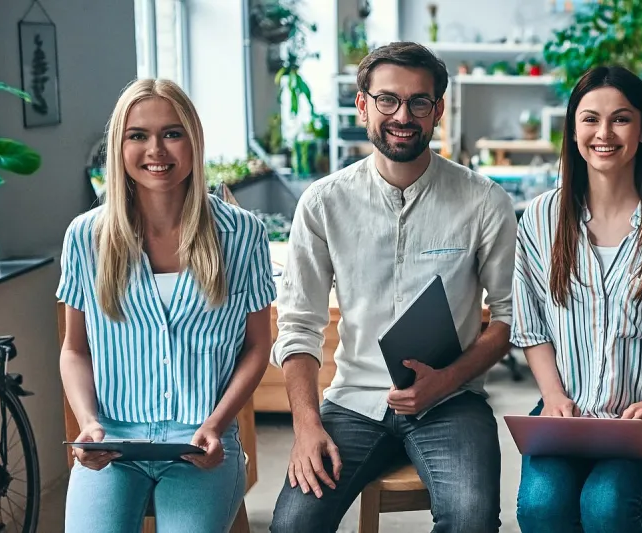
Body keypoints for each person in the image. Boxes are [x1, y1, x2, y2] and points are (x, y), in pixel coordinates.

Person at [268, 41, 516, 533]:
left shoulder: (484, 201)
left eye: (419, 102)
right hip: (352, 402)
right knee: (293, 525)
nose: (403, 116)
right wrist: (306, 425)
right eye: (388, 100)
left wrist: (447, 379)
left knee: (471, 520)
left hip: (452, 401)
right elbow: (298, 326)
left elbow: (510, 316)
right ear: (363, 105)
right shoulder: (323, 203)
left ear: (437, 111)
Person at [59, 78, 276, 532]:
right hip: (112, 442)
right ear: (119, 147)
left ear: (193, 140)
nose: (155, 150)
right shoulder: (86, 236)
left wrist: (217, 423)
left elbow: (258, 346)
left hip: (202, 443)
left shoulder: (242, 235)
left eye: (172, 133)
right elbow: (75, 349)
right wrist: (89, 423)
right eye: (138, 135)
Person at [510, 65, 642, 533]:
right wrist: (553, 396)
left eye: (621, 119)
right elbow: (531, 326)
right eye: (590, 119)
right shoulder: (540, 219)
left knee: (605, 504)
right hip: (567, 412)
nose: (604, 133)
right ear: (572, 130)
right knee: (541, 506)